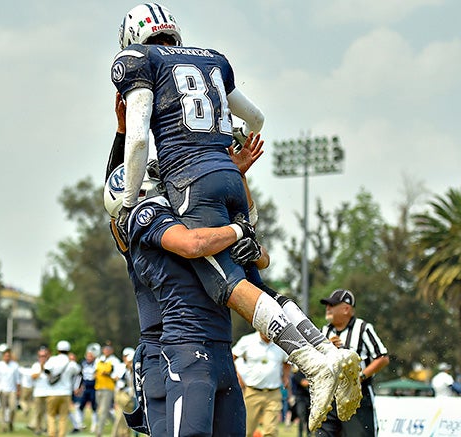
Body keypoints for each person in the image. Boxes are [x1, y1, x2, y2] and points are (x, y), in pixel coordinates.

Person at [110, 4, 362, 431]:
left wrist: (235, 221)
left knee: (236, 282)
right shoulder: (147, 215)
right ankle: (316, 355)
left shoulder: (161, 201)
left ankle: (320, 358)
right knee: (244, 282)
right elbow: (198, 244)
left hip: (214, 346)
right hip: (177, 351)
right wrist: (235, 197)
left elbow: (251, 259)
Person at [318, 289, 390, 437]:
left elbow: (382, 357)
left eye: (332, 305)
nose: (327, 308)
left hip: (357, 397)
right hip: (329, 396)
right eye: (327, 305)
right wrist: (325, 348)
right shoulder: (324, 332)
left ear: (346, 308)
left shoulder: (363, 328)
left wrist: (360, 377)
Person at [233, 330, 291, 437]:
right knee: (246, 430)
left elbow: (287, 361)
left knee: (271, 431)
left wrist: (286, 376)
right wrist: (236, 376)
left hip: (274, 393)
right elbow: (232, 356)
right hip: (252, 392)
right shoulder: (247, 340)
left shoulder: (280, 343)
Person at [43, 340, 82, 437]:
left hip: (52, 392)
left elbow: (46, 370)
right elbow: (79, 372)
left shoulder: (53, 359)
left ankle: (52, 434)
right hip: (65, 393)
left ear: (58, 350)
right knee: (63, 417)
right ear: (68, 351)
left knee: (51, 416)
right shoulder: (71, 362)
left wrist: (51, 377)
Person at [94, 343, 123, 436]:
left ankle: (99, 431)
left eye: (108, 350)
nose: (106, 351)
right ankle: (117, 424)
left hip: (108, 388)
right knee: (104, 410)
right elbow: (95, 371)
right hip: (98, 387)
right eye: (105, 350)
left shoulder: (115, 361)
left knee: (103, 410)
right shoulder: (99, 359)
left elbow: (117, 375)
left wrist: (108, 374)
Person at [0, 345, 20, 432]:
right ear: (3, 356)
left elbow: (17, 380)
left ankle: (11, 423)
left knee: (12, 408)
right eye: (6, 356)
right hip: (2, 390)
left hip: (12, 390)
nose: (7, 357)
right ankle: (3, 426)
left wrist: (18, 390)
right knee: (3, 409)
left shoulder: (15, 365)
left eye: (9, 356)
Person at [74, 344, 99, 432]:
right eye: (88, 356)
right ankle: (80, 424)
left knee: (94, 407)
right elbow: (80, 377)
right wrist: (78, 387)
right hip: (85, 387)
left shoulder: (97, 364)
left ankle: (94, 425)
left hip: (94, 388)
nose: (89, 358)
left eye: (91, 356)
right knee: (80, 406)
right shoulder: (83, 364)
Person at [29, 346, 51, 435]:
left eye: (44, 356)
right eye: (41, 356)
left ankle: (47, 428)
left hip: (48, 392)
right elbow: (33, 377)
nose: (42, 358)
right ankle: (37, 428)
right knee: (38, 412)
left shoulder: (50, 365)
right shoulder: (35, 365)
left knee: (48, 413)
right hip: (38, 393)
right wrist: (41, 370)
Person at [290, 368, 312, 437]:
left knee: (309, 417)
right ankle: (300, 434)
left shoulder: (311, 372)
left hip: (310, 398)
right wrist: (312, 382)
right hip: (301, 398)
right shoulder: (299, 373)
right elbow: (303, 383)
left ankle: (309, 434)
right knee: (301, 415)